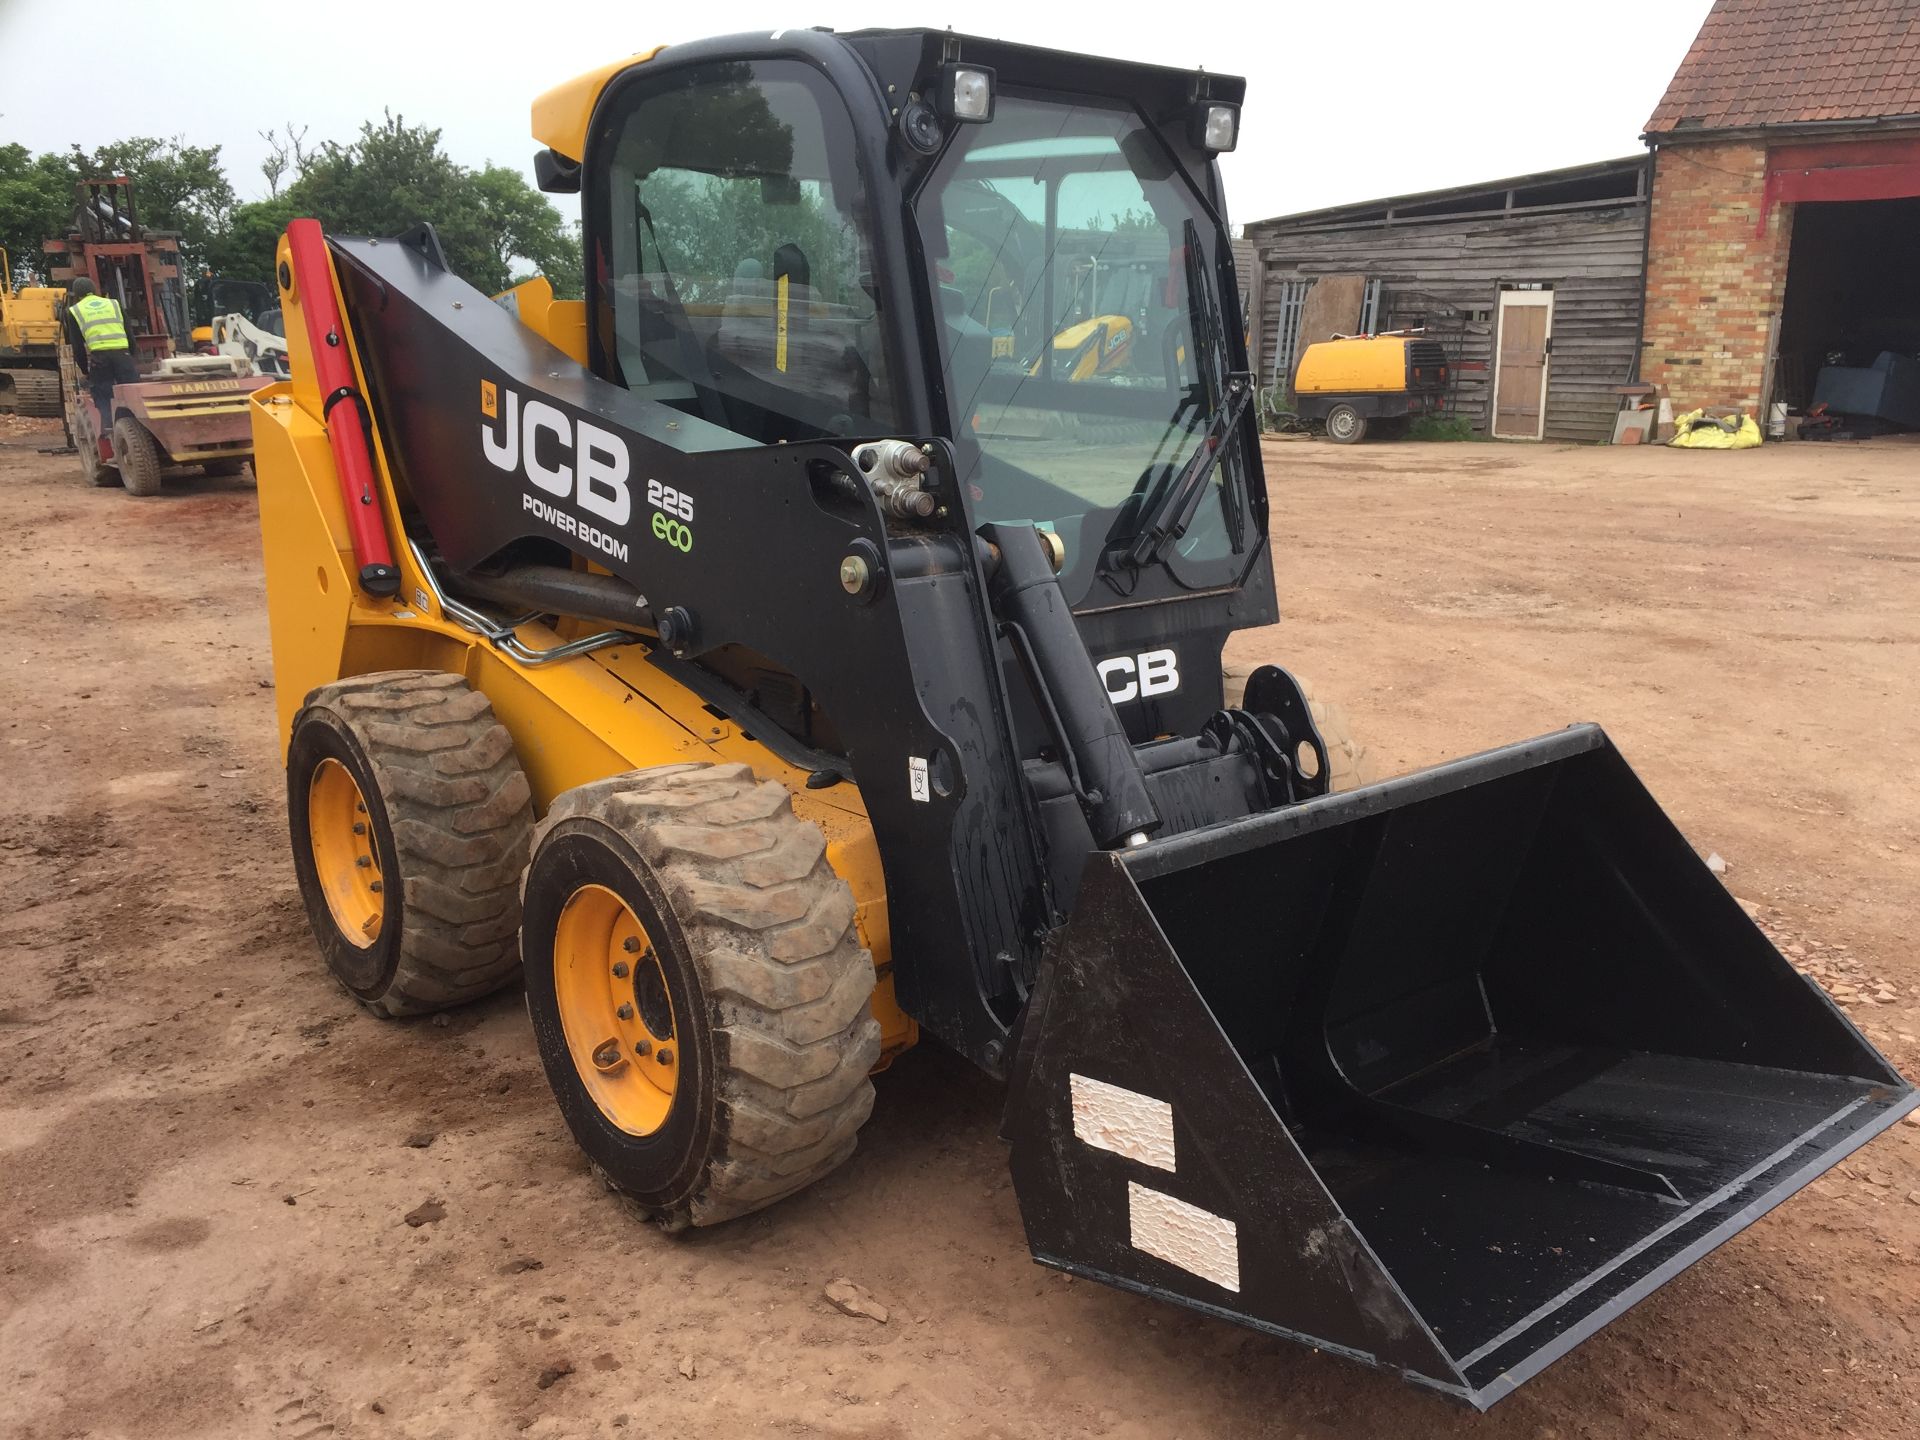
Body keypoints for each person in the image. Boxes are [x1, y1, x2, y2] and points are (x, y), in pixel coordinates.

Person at [63, 278, 140, 436]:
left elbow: (77, 346)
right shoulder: (114, 304)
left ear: (76, 295)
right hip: (122, 354)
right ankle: (138, 427)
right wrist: (131, 355)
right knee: (132, 393)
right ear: (95, 289)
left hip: (100, 358)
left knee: (103, 394)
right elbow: (129, 334)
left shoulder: (75, 311)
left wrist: (85, 370)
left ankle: (110, 433)